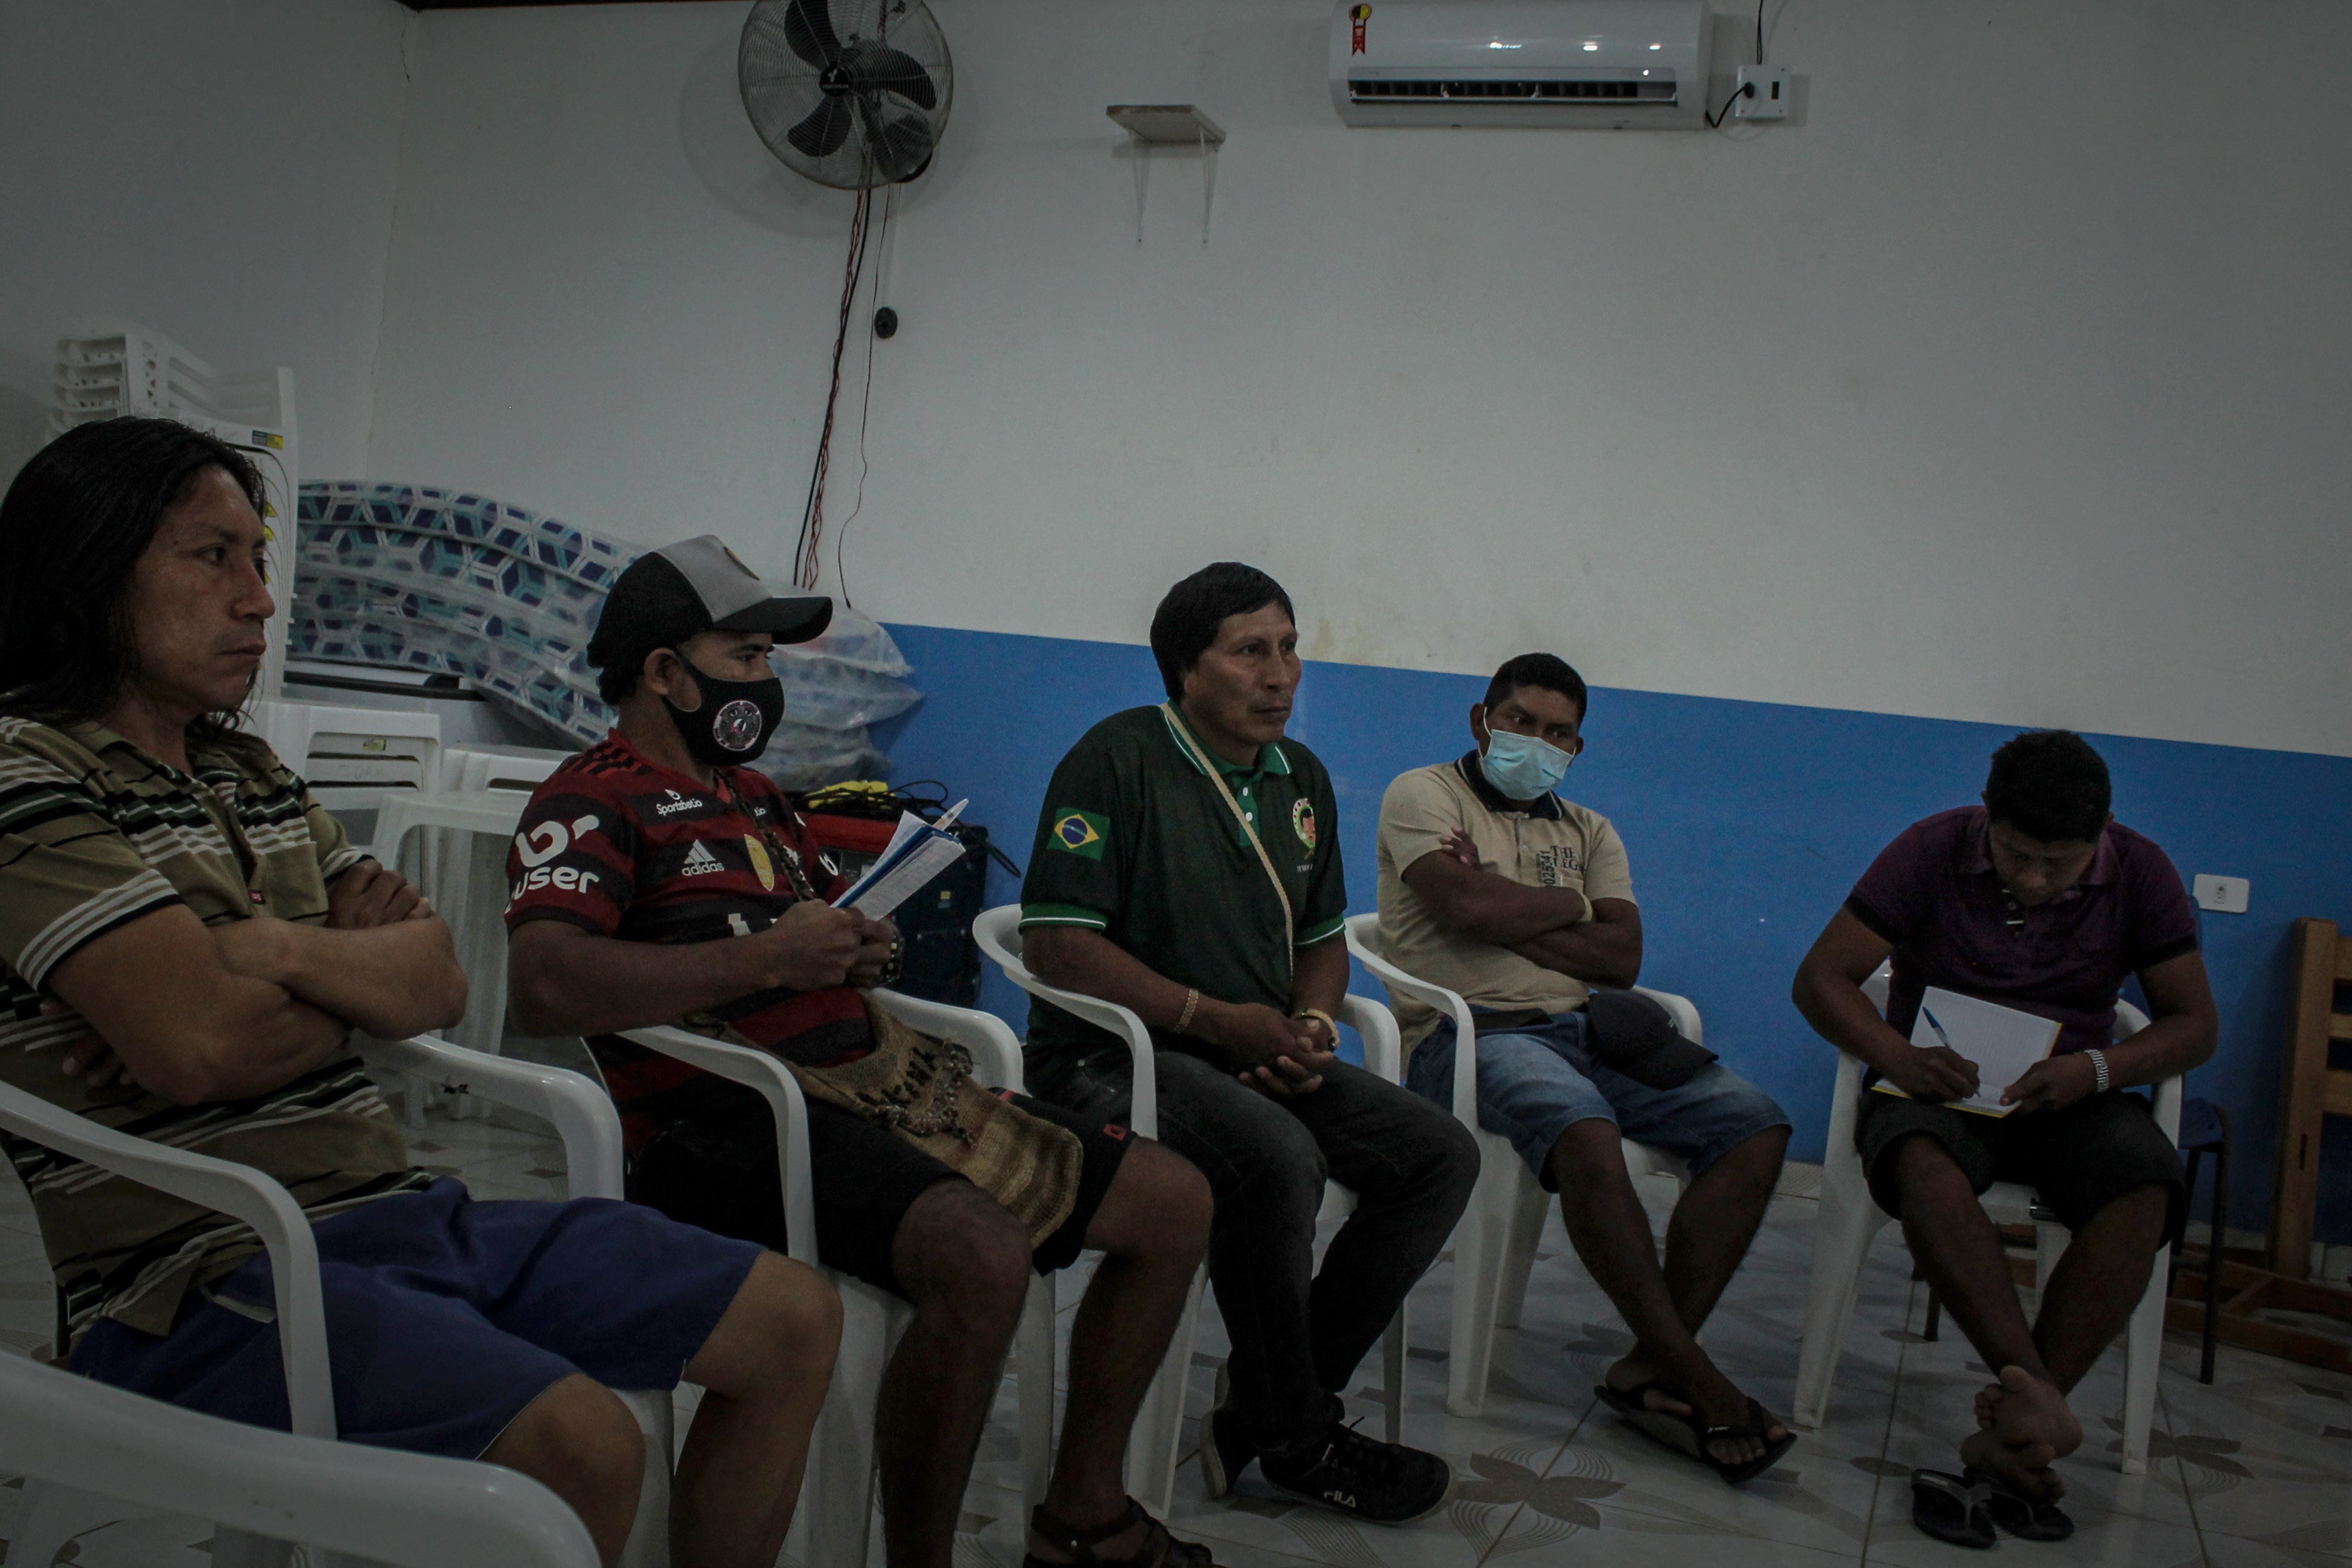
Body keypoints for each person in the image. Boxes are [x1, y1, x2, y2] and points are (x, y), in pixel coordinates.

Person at [0, 419, 840, 1568]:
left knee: (794, 1319)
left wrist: (264, 952)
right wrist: (329, 978)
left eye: (261, 560)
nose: (259, 600)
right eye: (214, 558)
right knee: (583, 1446)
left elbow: (438, 978)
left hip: (399, 1217)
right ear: (90, 571)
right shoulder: (26, 775)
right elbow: (199, 1045)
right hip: (205, 1274)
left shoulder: (251, 772)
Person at [504, 537, 1218, 1568]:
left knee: (1174, 1201)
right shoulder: (592, 798)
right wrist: (771, 959)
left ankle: (1082, 1515)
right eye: (744, 656)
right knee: (981, 1256)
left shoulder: (757, 800)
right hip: (722, 1125)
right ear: (663, 671)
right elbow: (546, 987)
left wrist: (848, 949)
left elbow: (795, 947)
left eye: (766, 660)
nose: (765, 680)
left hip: (869, 1090)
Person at [1019, 561, 1479, 1525]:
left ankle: (1266, 1406)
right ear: (1185, 670)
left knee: (1436, 1155)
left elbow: (1321, 941)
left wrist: (1311, 1024)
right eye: (1250, 653)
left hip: (1249, 1051)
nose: (1282, 675)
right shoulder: (1118, 759)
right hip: (1113, 1064)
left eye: (1290, 647)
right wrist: (1212, 1019)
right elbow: (1058, 943)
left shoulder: (1298, 780)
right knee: (1278, 1156)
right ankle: (1299, 1436)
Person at [1375, 653, 1796, 1482]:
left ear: (1577, 746)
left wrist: (1509, 909)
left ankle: (1650, 1362)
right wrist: (1569, 906)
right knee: (1585, 1129)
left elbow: (1623, 955)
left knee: (1756, 1126)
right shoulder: (1422, 795)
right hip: (1470, 1038)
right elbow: (1463, 906)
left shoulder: (1589, 829)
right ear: (1481, 720)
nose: (1537, 742)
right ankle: (1696, 1375)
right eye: (1521, 722)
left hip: (1595, 1030)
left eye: (1559, 733)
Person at [1792, 730, 2217, 1545]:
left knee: (2147, 1187)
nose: (2033, 877)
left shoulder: (2142, 871)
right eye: (2017, 854)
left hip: (2068, 1093)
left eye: (2058, 864)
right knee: (1921, 1162)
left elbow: (2195, 1025)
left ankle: (2015, 1422)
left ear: (2103, 833)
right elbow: (1821, 978)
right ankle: (2041, 1408)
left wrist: (2097, 1069)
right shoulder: (1931, 850)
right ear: (1987, 817)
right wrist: (1899, 1057)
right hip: (1938, 1085)